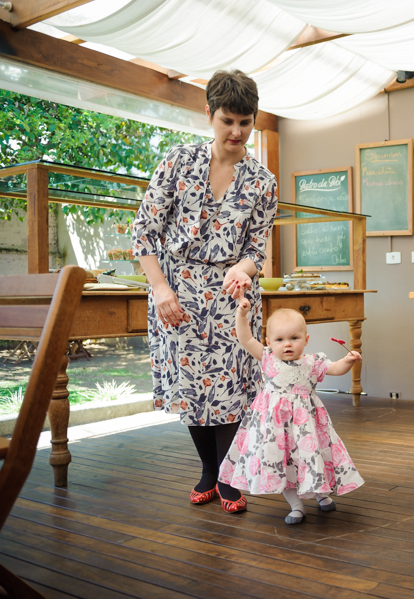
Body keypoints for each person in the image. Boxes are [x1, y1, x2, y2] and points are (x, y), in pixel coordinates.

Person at [131, 69, 279, 513]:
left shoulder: (262, 181)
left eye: (246, 122)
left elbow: (258, 247)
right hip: (178, 293)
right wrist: (159, 288)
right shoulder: (177, 161)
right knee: (193, 387)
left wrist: (245, 267)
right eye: (227, 121)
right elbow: (143, 231)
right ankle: (209, 471)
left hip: (232, 298)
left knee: (234, 385)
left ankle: (229, 473)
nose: (237, 132)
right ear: (210, 114)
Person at [219, 303, 365, 524]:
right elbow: (246, 338)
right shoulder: (268, 357)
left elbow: (335, 368)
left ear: (306, 339)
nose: (287, 344)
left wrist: (348, 361)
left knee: (311, 457)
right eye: (279, 340)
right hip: (274, 428)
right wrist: (241, 313)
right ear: (269, 343)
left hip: (306, 424)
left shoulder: (313, 362)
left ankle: (320, 493)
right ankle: (296, 505)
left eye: (294, 338)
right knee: (284, 462)